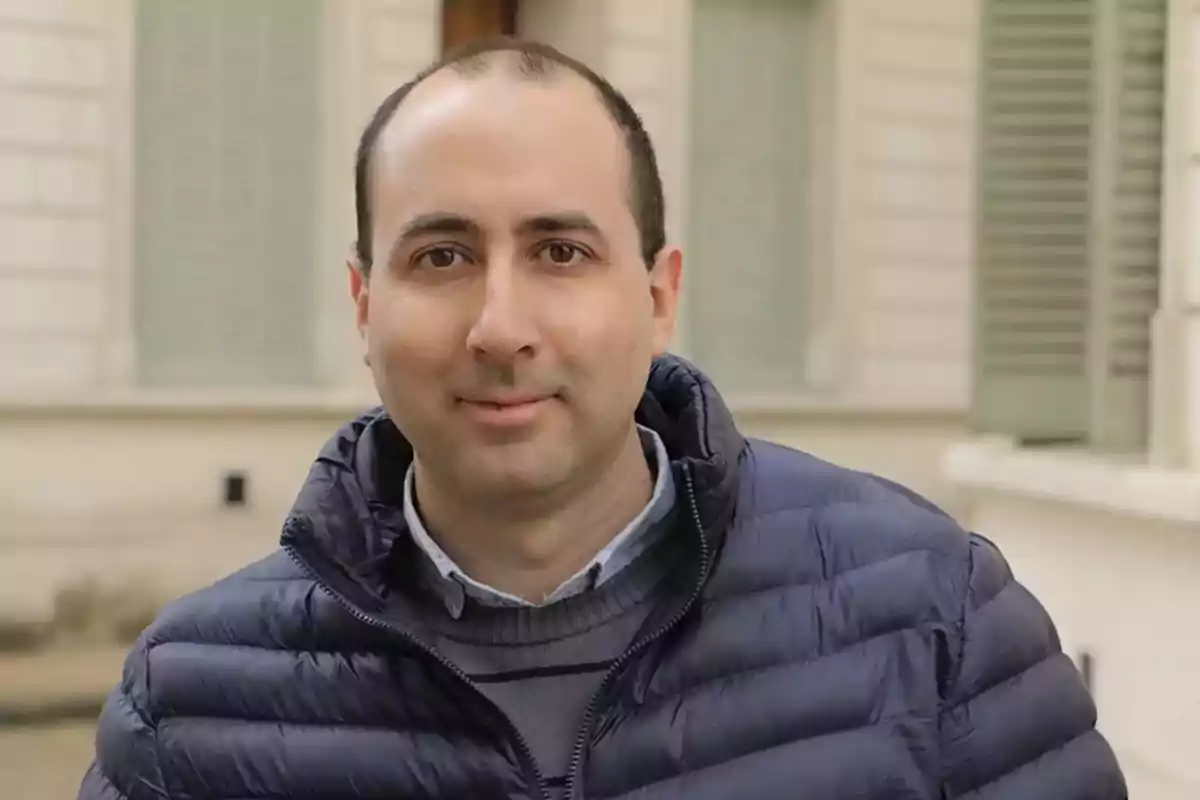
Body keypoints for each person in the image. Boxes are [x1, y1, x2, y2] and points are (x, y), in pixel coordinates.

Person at [78, 38, 1126, 800]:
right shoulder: (192, 706)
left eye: (560, 251)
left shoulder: (935, 621)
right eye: (441, 255)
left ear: (659, 293)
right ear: (364, 306)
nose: (500, 324)